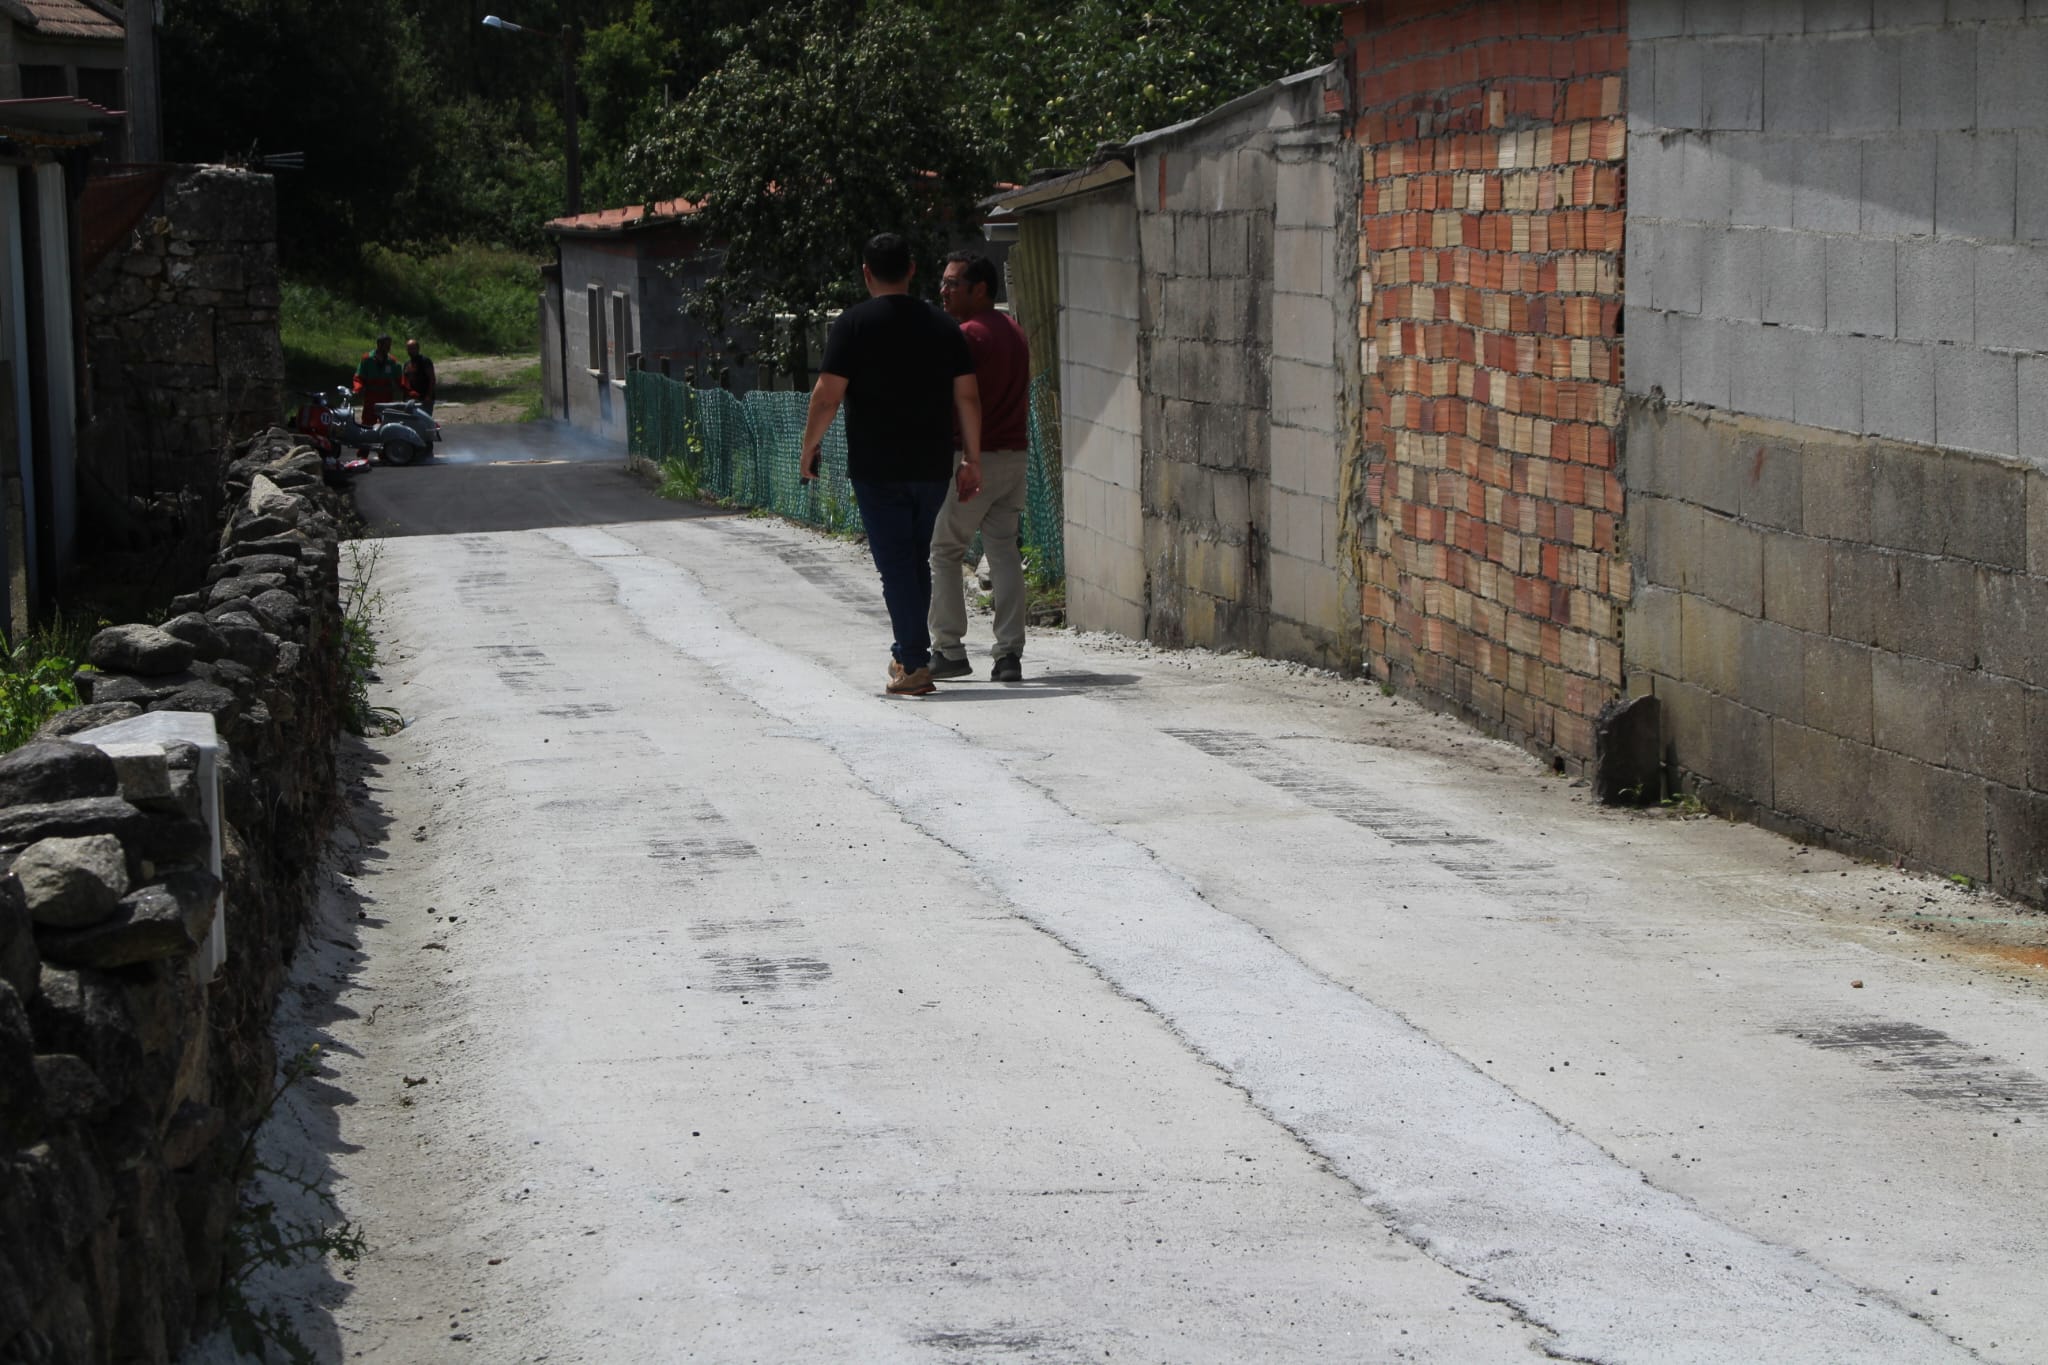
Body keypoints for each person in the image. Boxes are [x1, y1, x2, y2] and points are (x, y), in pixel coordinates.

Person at [800, 233, 982, 698]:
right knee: (913, 560)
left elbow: (826, 396)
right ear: (912, 269)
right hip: (931, 464)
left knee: (897, 566)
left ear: (866, 273)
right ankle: (908, 653)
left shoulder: (852, 325)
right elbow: (967, 395)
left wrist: (809, 448)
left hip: (877, 467)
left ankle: (915, 665)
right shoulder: (943, 327)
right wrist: (972, 460)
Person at [928, 252, 1031, 683]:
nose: (944, 291)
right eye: (944, 282)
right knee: (1003, 551)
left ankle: (948, 649)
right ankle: (1008, 655)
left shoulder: (966, 337)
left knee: (945, 551)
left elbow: (951, 398)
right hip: (1014, 457)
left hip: (972, 459)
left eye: (954, 284)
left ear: (980, 290)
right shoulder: (1014, 331)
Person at [352, 334, 403, 424]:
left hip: (386, 398)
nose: (388, 348)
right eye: (386, 345)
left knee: (387, 422)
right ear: (379, 344)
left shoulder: (392, 361)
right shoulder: (367, 359)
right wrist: (358, 388)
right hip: (371, 397)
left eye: (389, 345)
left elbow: (401, 380)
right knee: (368, 423)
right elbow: (358, 377)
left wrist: (408, 391)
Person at [401, 338, 437, 412]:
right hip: (412, 399)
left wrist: (428, 396)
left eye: (413, 348)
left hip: (424, 398)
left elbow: (432, 379)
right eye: (409, 349)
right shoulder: (407, 364)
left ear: (418, 349)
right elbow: (405, 381)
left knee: (424, 421)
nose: (411, 351)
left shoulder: (425, 361)